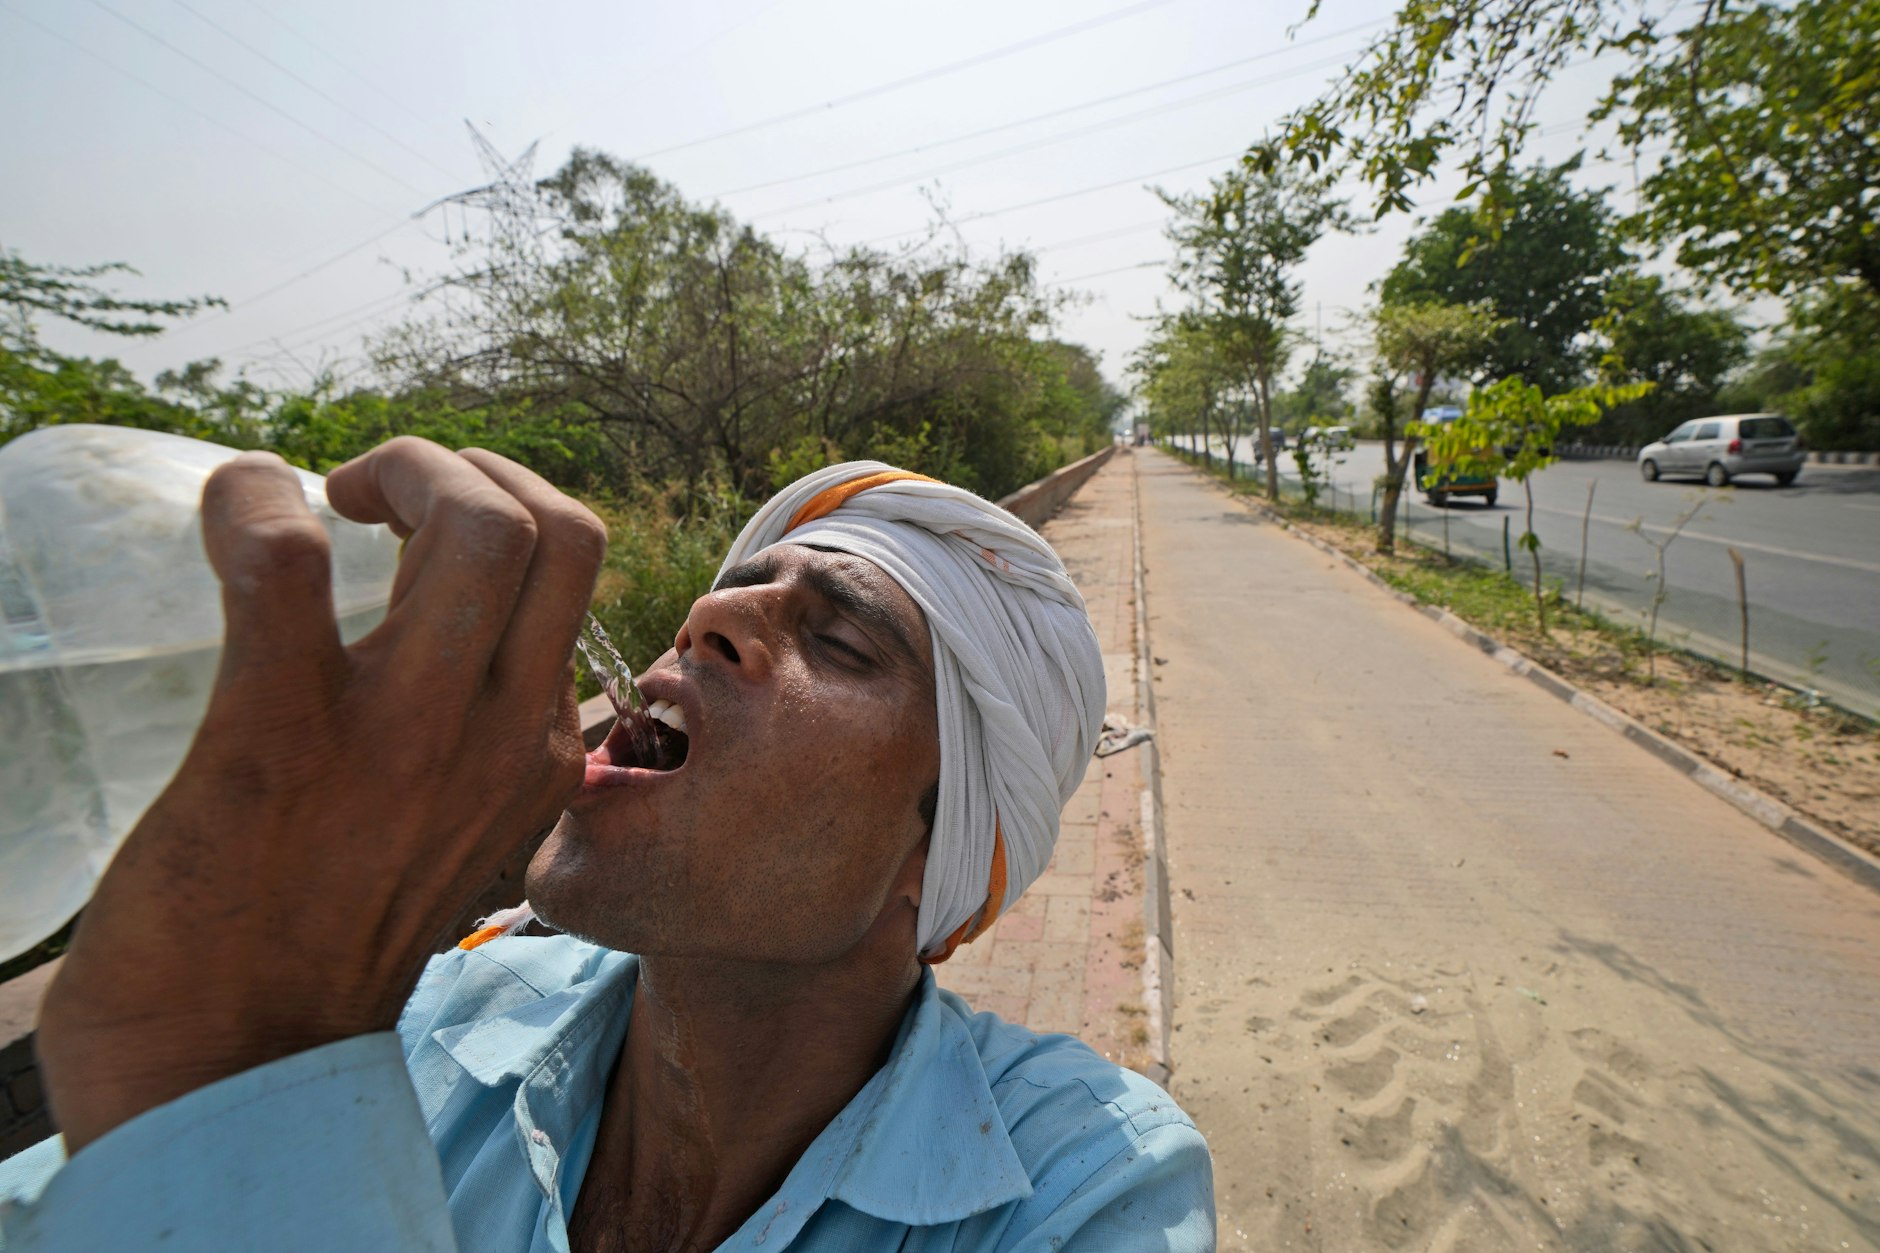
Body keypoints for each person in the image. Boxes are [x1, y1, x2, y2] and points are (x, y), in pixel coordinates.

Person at [0, 439, 1213, 1252]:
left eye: (840, 642)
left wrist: (252, 1057)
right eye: (733, 585)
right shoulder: (443, 1013)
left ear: (932, 854)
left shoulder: (1079, 1182)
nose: (709, 611)